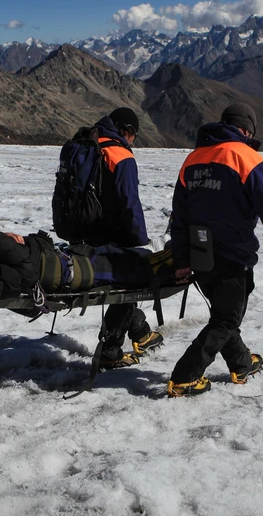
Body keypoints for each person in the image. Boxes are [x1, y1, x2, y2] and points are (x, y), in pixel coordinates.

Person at [166, 102, 263, 398]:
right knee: (226, 319)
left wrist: (182, 259)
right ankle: (184, 377)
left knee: (224, 313)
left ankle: (241, 363)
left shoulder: (193, 158)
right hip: (232, 253)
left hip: (201, 254)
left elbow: (180, 216)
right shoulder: (245, 158)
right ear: (247, 130)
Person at [0, 217, 171, 301]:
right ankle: (168, 264)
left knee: (109, 251)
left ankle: (156, 248)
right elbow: (25, 274)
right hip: (58, 271)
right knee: (123, 269)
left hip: (50, 255)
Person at [83, 108, 163, 369]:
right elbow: (130, 204)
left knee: (124, 283)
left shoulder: (88, 145)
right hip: (112, 235)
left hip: (84, 231)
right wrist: (140, 239)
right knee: (131, 282)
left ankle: (139, 331)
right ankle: (110, 349)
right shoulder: (120, 156)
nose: (132, 142)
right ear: (126, 132)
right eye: (133, 137)